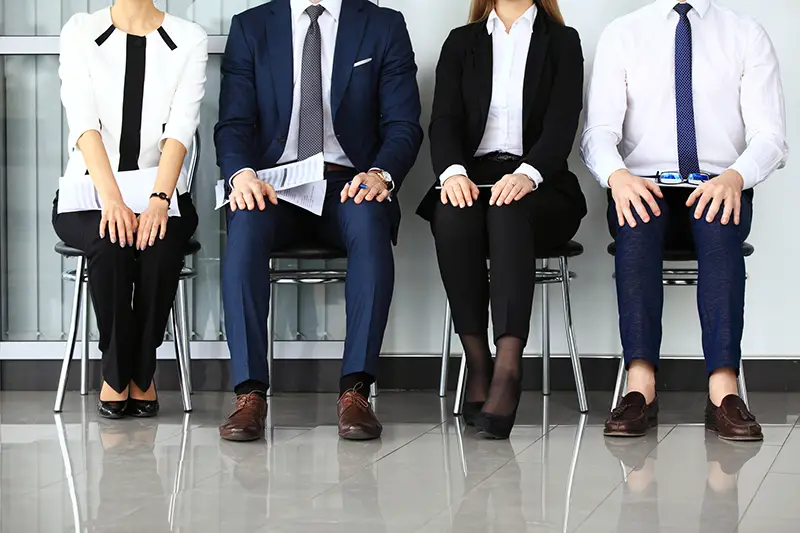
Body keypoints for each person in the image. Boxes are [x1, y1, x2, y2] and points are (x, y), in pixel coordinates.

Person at [215, 0, 423, 442]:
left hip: (347, 182)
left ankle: (356, 391)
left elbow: (404, 123)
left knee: (369, 224)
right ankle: (249, 395)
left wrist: (379, 174)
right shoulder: (251, 27)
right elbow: (232, 124)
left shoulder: (383, 25)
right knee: (245, 223)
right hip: (274, 184)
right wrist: (242, 175)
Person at [581, 0, 788, 440]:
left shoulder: (746, 33)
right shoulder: (623, 32)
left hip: (718, 184)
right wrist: (617, 176)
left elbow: (770, 135)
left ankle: (723, 392)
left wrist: (735, 177)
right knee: (636, 226)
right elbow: (598, 132)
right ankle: (640, 387)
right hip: (643, 183)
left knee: (719, 231)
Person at [417, 0, 587, 439]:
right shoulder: (462, 42)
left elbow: (562, 124)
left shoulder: (562, 42)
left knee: (509, 210)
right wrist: (452, 173)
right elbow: (444, 121)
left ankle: (509, 367)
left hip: (542, 183)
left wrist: (528, 174)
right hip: (472, 177)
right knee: (452, 215)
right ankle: (478, 361)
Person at [52, 0, 207, 418]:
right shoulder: (80, 30)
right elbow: (83, 123)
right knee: (111, 241)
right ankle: (118, 374)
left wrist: (158, 200)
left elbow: (181, 130)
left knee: (160, 245)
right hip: (90, 194)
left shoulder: (190, 38)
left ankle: (142, 370)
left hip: (160, 193)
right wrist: (113, 200)